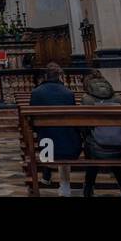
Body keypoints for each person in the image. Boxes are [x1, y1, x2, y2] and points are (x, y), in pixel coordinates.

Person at [29, 63, 81, 196]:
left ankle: (47, 175)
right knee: (63, 135)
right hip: (68, 142)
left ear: (45, 76)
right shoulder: (68, 93)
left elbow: (32, 119)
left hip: (46, 141)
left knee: (49, 136)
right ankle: (64, 185)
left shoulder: (36, 92)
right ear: (59, 76)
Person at [80, 74, 121, 197]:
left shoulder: (87, 99)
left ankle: (88, 189)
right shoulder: (118, 98)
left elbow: (84, 126)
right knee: (114, 158)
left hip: (95, 148)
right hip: (118, 146)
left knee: (91, 156)